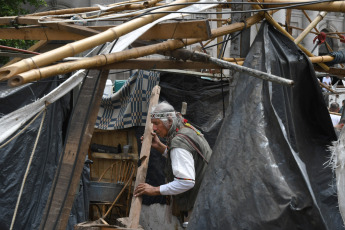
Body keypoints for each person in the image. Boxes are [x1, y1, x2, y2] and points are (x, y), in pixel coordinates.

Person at [134, 101, 212, 225]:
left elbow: (186, 182)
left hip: (199, 206)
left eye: (156, 123)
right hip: (208, 199)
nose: (154, 128)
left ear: (169, 121)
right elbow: (184, 159)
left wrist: (155, 190)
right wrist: (159, 146)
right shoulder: (188, 130)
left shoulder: (179, 143)